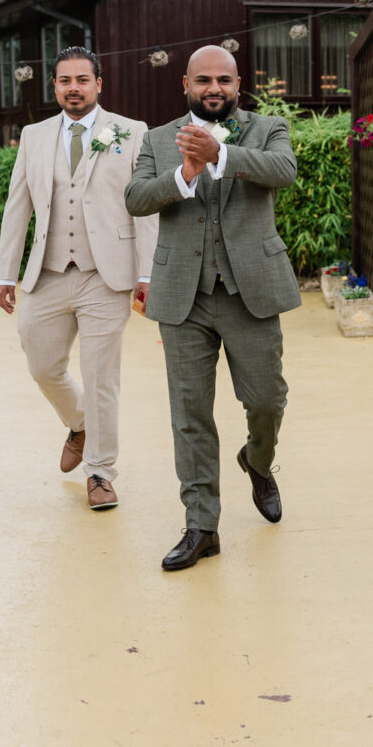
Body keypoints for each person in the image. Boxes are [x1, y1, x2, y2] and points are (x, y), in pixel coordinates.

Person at [124, 44, 300, 570]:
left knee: (267, 400)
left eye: (223, 79)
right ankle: (202, 526)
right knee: (190, 416)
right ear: (185, 84)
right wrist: (184, 174)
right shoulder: (158, 139)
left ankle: (258, 460)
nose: (213, 89)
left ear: (238, 82)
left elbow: (283, 171)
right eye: (203, 81)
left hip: (252, 291)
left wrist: (219, 156)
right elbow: (135, 198)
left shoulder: (268, 128)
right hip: (183, 295)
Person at [0, 47, 156, 511]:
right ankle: (81, 424)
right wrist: (8, 272)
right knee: (42, 364)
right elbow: (17, 205)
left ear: (99, 84)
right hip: (46, 272)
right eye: (64, 80)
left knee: (102, 374)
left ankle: (102, 472)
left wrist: (146, 272)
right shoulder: (34, 135)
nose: (73, 87)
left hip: (106, 275)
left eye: (82, 79)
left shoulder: (131, 132)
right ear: (55, 86)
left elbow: (145, 207)